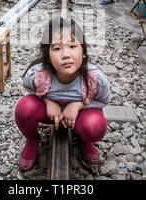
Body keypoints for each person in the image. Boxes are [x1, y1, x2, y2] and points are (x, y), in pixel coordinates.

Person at [14, 17, 111, 170]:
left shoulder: (95, 78)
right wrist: (47, 101)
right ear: (48, 56)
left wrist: (79, 104)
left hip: (77, 117)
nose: (66, 54)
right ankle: (32, 140)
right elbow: (27, 86)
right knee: (24, 107)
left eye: (72, 46)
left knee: (94, 126)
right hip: (50, 115)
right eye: (57, 48)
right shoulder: (38, 74)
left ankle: (84, 140)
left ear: (84, 52)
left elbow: (104, 100)